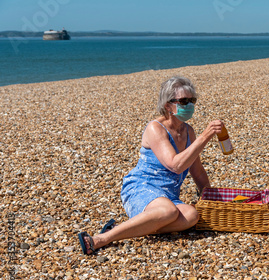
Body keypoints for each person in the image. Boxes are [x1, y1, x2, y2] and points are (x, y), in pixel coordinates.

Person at [78, 76, 224, 254]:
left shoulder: (188, 131)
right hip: (142, 188)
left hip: (168, 195)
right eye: (184, 101)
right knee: (168, 212)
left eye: (192, 100)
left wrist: (212, 199)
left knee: (192, 215)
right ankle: (103, 237)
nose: (189, 106)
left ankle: (137, 226)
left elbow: (198, 171)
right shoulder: (155, 128)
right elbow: (175, 165)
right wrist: (205, 136)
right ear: (167, 105)